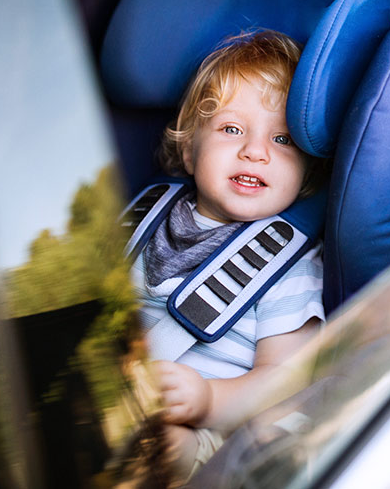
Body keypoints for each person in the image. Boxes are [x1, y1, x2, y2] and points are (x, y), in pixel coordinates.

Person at [129, 30, 325, 478]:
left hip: (209, 434)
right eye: (231, 129)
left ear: (307, 170)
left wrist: (207, 400)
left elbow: (286, 379)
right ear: (189, 148)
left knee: (160, 447)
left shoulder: (288, 266)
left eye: (283, 140)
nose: (254, 151)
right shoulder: (142, 214)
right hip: (114, 396)